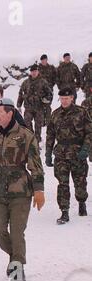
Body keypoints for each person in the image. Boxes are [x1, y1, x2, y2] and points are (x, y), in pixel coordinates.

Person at [0, 98, 45, 281]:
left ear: (10, 113)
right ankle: (15, 255)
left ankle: (17, 267)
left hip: (20, 191)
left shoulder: (25, 135)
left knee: (16, 232)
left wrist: (39, 190)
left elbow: (36, 166)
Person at [46, 88, 92, 224]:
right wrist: (48, 153)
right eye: (62, 98)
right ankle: (64, 211)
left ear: (72, 98)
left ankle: (81, 202)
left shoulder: (81, 112)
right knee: (62, 184)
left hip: (78, 153)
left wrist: (86, 149)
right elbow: (50, 135)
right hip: (61, 154)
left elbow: (90, 132)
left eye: (67, 98)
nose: (64, 101)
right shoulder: (55, 114)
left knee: (80, 183)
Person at [17, 64, 53, 144]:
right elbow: (21, 93)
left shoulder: (43, 82)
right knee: (26, 122)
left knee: (38, 125)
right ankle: (31, 138)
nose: (34, 73)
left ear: (38, 71)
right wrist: (19, 104)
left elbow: (49, 93)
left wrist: (47, 100)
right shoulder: (25, 82)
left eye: (35, 71)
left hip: (39, 107)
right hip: (28, 107)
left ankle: (37, 140)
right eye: (32, 71)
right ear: (30, 72)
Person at [38, 54, 57, 126]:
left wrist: (51, 84)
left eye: (44, 60)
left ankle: (48, 121)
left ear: (46, 60)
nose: (43, 61)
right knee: (41, 106)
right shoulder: (38, 68)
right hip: (40, 91)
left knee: (48, 106)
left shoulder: (51, 68)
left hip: (49, 90)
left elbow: (55, 77)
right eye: (42, 60)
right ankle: (42, 122)